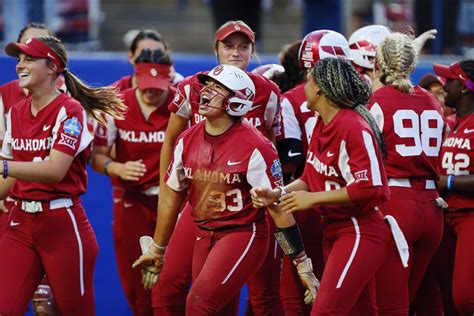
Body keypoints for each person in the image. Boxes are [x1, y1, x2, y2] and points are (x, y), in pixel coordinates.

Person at [132, 64, 319, 315]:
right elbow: (171, 195)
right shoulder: (187, 140)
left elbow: (277, 207)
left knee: (199, 304)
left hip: (242, 233)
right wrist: (158, 248)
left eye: (217, 88)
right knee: (215, 308)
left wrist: (301, 263)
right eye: (207, 86)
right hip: (204, 230)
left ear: (237, 102)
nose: (206, 93)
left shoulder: (256, 146)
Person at [153, 20, 282, 315]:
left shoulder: (268, 91)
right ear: (216, 50)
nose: (236, 52)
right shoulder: (189, 88)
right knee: (172, 283)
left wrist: (273, 195)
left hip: (249, 208)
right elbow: (171, 142)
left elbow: (271, 146)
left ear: (253, 50)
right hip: (200, 197)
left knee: (254, 292)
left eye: (243, 46)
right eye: (228, 46)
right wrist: (166, 190)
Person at [251, 57, 393, 314]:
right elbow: (309, 177)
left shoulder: (353, 127)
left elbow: (371, 187)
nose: (304, 86)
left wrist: (314, 199)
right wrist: (278, 193)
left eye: (308, 81)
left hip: (360, 231)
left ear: (319, 89)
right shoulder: (320, 122)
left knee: (325, 310)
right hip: (336, 229)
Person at [0, 36, 125, 315]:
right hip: (20, 221)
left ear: (52, 67)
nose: (20, 64)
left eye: (29, 58)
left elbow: (55, 170)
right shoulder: (17, 112)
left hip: (62, 224)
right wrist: (5, 170)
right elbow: (6, 180)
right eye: (19, 58)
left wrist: (4, 166)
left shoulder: (70, 110)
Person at [90, 48, 175, 315]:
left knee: (173, 282)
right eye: (147, 86)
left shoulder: (180, 105)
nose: (152, 92)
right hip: (133, 201)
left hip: (172, 202)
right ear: (135, 78)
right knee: (137, 286)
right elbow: (96, 156)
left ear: (170, 79)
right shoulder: (117, 104)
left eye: (158, 86)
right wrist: (117, 167)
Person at [369, 32, 446, 315]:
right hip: (432, 205)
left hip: (395, 205)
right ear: (413, 66)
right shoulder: (432, 101)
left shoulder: (375, 101)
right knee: (405, 301)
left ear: (378, 64)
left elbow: (364, 155)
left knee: (389, 307)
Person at [275, 30, 352, 316]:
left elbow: (291, 164)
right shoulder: (363, 99)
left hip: (323, 205)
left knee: (294, 292)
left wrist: (287, 192)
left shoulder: (298, 101)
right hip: (331, 201)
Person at [435, 60, 474, 315]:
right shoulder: (451, 122)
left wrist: (446, 182)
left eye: (449, 80)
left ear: (464, 87)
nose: (443, 85)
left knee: (465, 298)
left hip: (470, 216)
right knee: (445, 296)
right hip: (445, 216)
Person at [112, 29, 183, 92]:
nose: (152, 58)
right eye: (144, 53)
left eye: (158, 53)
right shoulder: (116, 92)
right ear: (131, 56)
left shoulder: (180, 88)